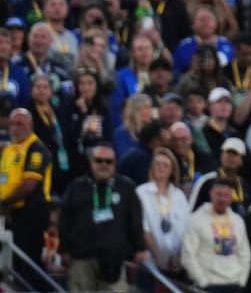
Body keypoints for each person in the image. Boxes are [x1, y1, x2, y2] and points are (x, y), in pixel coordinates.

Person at [59, 141, 148, 292]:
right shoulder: (77, 186)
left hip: (115, 260)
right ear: (91, 162)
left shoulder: (126, 187)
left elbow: (135, 221)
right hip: (81, 258)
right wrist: (63, 250)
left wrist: (140, 248)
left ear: (115, 163)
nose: (104, 165)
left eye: (109, 161)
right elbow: (65, 220)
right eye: (99, 160)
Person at [0, 108, 52, 272]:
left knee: (28, 264)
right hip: (12, 214)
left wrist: (3, 203)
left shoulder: (37, 149)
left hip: (32, 214)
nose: (15, 128)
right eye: (12, 124)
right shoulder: (9, 150)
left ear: (31, 125)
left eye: (20, 124)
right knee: (12, 263)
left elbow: (29, 185)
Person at [181, 177, 251, 293]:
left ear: (231, 197)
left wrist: (242, 281)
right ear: (211, 194)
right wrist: (203, 282)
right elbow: (188, 255)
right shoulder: (197, 219)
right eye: (219, 194)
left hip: (234, 284)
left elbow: (245, 254)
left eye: (226, 195)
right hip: (208, 285)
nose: (222, 199)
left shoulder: (238, 221)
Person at [137, 147, 190, 278]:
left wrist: (180, 258)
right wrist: (158, 257)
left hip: (178, 262)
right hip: (151, 261)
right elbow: (144, 229)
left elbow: (188, 228)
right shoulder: (141, 193)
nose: (161, 167)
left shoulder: (179, 196)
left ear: (172, 170)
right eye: (157, 164)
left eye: (165, 165)